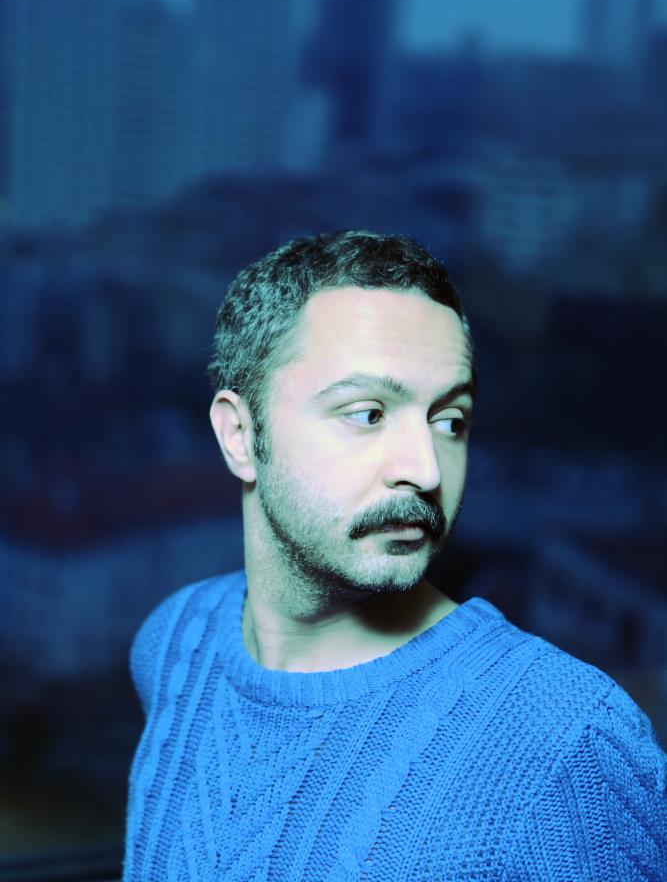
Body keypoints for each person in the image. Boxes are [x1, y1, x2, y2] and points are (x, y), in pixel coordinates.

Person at [122, 230, 666, 881]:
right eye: (367, 414)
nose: (426, 469)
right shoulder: (175, 642)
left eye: (449, 420)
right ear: (239, 436)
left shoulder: (564, 739)